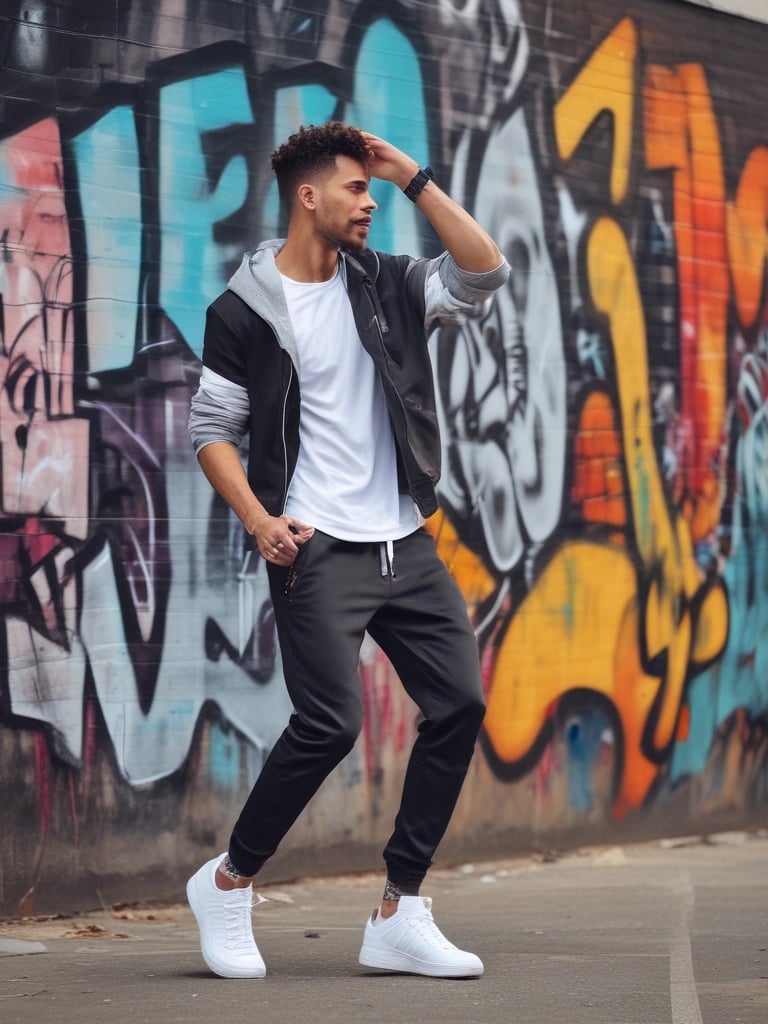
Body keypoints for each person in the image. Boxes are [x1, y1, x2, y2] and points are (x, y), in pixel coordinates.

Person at [186, 121, 509, 980]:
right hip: (316, 546)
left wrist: (412, 176)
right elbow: (213, 430)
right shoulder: (243, 312)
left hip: (404, 541)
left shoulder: (393, 284)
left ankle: (400, 910)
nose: (369, 203)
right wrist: (260, 519)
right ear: (308, 197)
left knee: (460, 705)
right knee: (329, 723)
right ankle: (227, 881)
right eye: (356, 188)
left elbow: (484, 271)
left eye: (373, 190)